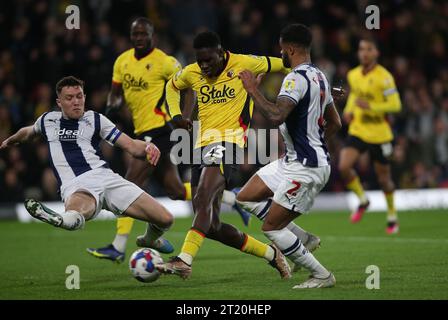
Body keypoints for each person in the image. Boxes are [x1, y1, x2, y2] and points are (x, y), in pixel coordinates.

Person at [86, 18, 249, 263]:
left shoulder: (166, 62)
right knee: (174, 190)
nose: (139, 37)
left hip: (161, 129)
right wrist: (110, 108)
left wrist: (182, 118)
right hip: (140, 130)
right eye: (135, 34)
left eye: (144, 33)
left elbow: (189, 87)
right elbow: (116, 93)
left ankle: (119, 246)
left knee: (130, 182)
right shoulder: (122, 61)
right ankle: (230, 198)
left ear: (153, 35)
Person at [155, 31, 292, 280]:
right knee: (212, 227)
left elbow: (286, 63)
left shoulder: (245, 62)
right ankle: (272, 255)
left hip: (229, 141)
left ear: (221, 52)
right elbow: (171, 86)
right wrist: (175, 116)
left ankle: (183, 260)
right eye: (200, 61)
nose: (204, 66)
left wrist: (314, 86)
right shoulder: (191, 71)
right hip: (199, 145)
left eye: (209, 60)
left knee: (204, 195)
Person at [0, 76, 173, 247]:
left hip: (107, 177)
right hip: (77, 184)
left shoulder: (96, 119)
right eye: (69, 98)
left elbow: (131, 145)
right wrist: (12, 140)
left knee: (166, 219)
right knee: (75, 214)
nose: (76, 101)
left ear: (84, 97)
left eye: (79, 96)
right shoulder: (48, 120)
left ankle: (149, 240)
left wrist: (149, 147)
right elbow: (28, 132)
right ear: (59, 102)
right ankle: (61, 219)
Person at [238, 24, 341, 288]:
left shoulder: (295, 78)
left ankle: (322, 275)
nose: (280, 53)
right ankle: (304, 240)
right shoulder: (320, 76)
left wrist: (252, 89)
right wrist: (314, 143)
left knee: (272, 228)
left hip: (305, 166)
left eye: (281, 49)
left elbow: (275, 115)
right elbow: (336, 123)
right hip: (294, 160)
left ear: (290, 49)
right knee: (246, 197)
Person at [338, 37, 402, 234]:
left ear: (376, 53)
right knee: (343, 166)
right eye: (361, 49)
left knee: (384, 180)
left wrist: (372, 107)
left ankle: (392, 215)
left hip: (380, 134)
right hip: (359, 130)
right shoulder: (353, 74)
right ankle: (363, 200)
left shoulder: (385, 77)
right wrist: (348, 110)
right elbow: (356, 95)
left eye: (368, 49)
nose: (364, 53)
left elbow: (396, 105)